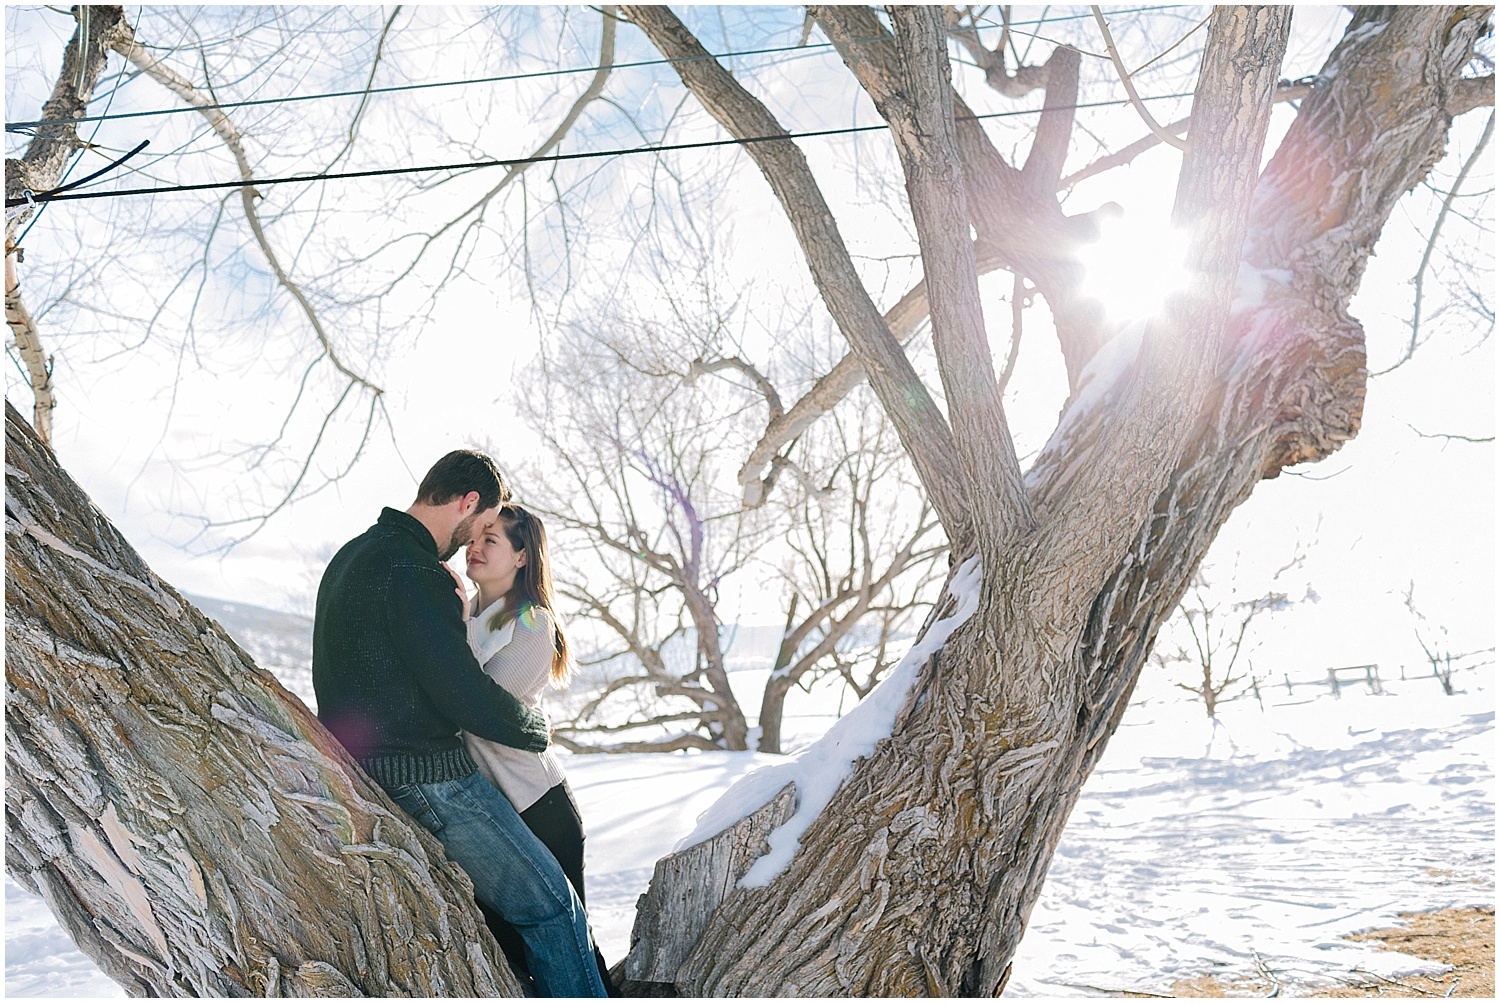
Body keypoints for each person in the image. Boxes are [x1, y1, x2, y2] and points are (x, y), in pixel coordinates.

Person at [311, 450, 608, 998]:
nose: (474, 540)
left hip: (371, 773)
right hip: (433, 780)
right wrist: (535, 731)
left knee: (500, 930)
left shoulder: (353, 556)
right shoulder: (416, 571)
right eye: (483, 524)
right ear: (470, 503)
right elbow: (464, 696)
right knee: (554, 913)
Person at [460, 504, 617, 994]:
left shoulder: (531, 623)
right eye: (475, 536)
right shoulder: (469, 612)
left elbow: (480, 713)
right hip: (494, 809)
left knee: (569, 946)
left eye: (492, 540)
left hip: (538, 806)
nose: (476, 546)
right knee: (510, 948)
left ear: (523, 556)